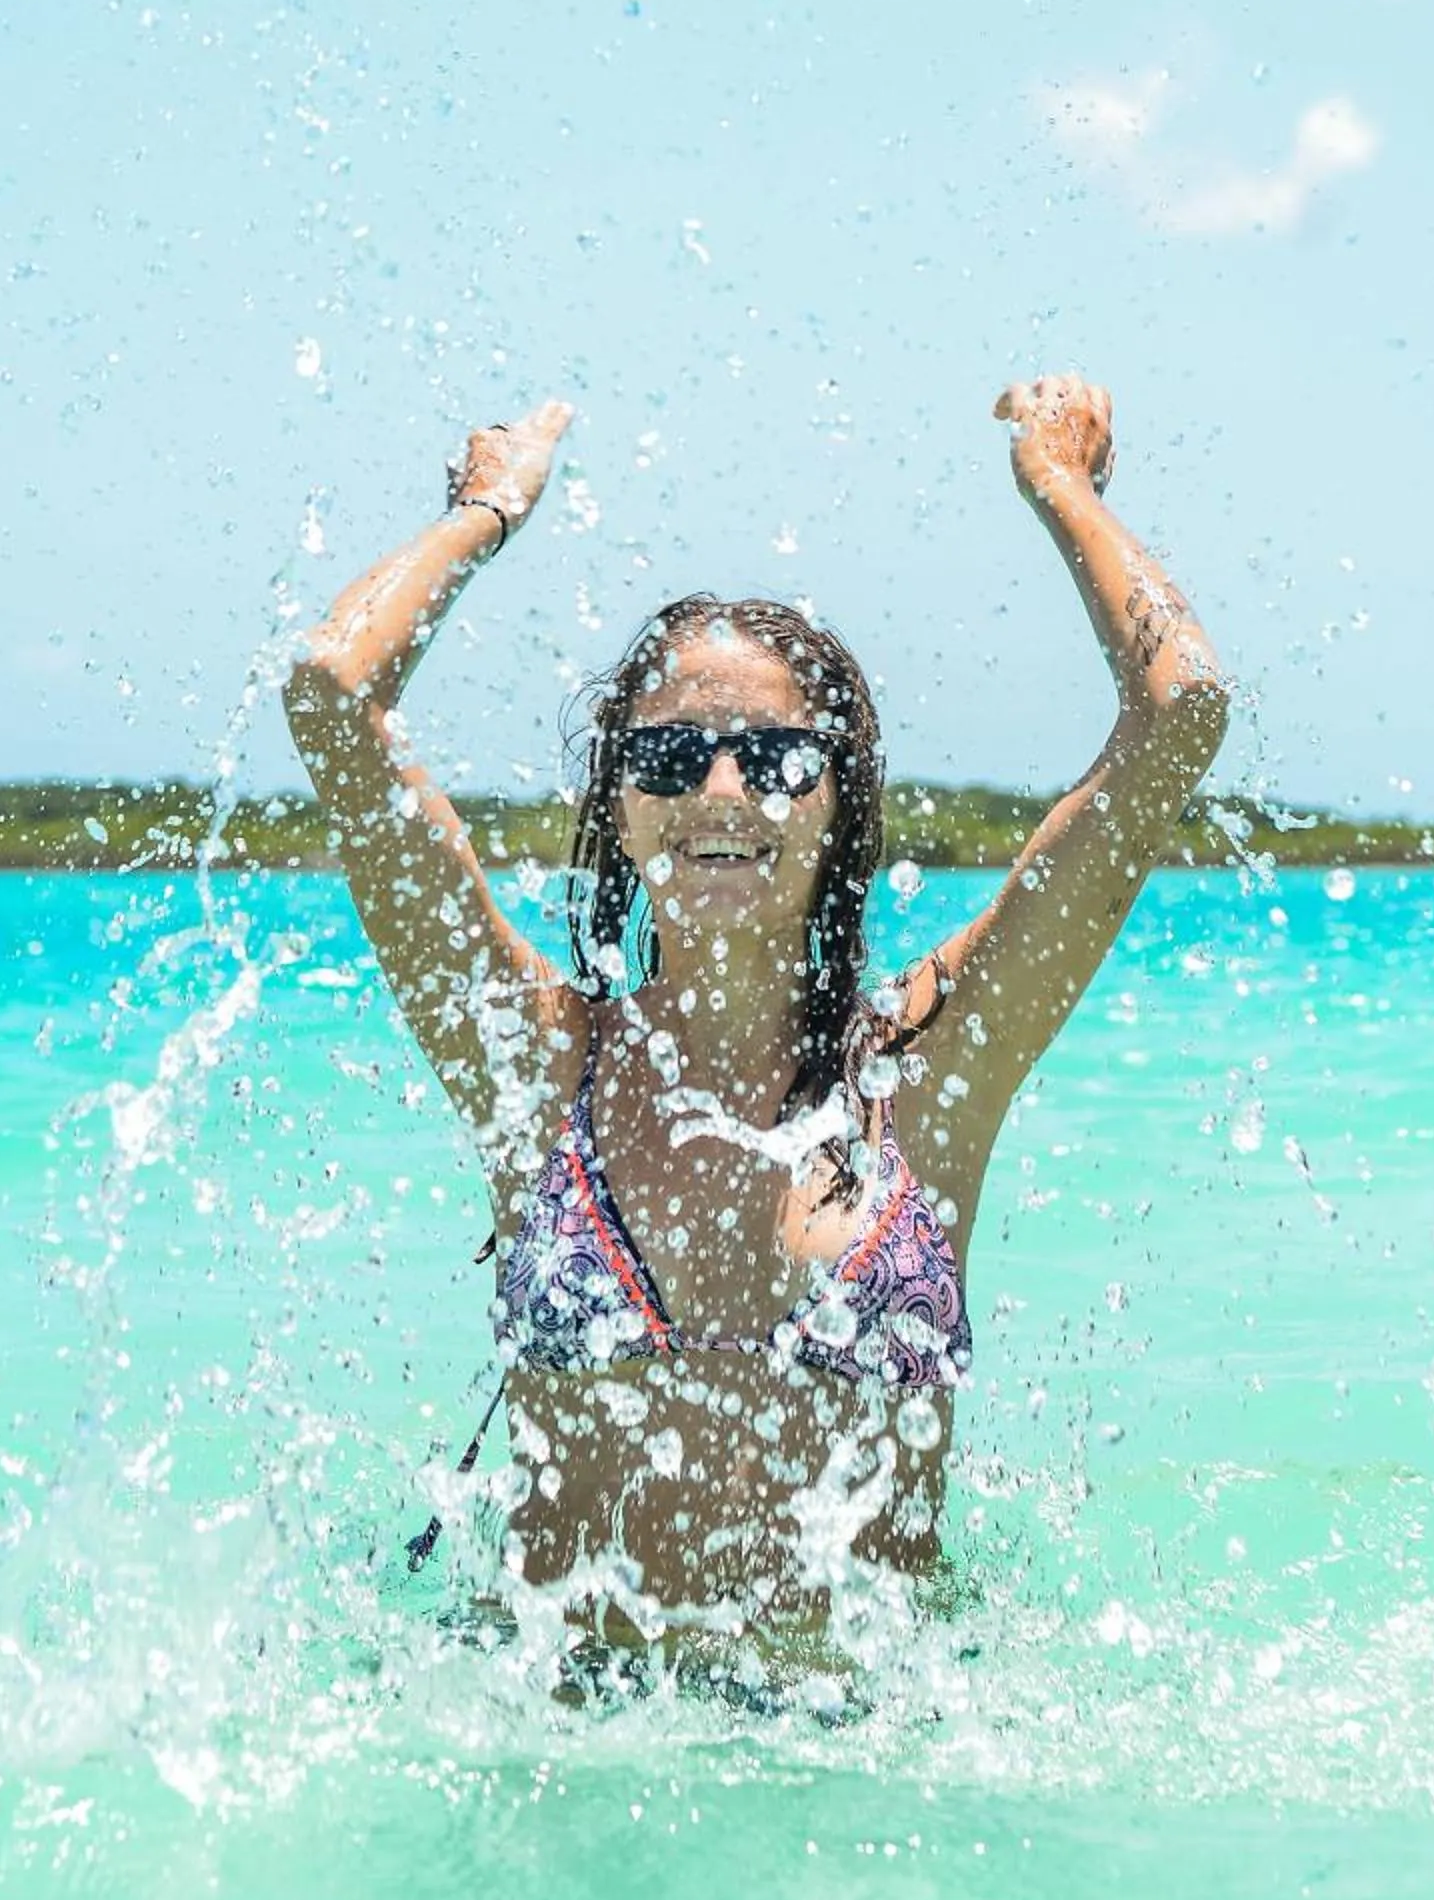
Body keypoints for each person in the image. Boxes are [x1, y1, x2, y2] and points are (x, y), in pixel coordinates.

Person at [283, 374, 1229, 1630]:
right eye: (671, 757)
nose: (724, 793)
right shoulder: (535, 1063)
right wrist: (482, 511)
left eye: (780, 758)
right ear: (618, 805)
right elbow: (331, 697)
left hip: (865, 1772)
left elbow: (1182, 712)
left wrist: (1057, 486)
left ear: (838, 804)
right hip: (563, 1753)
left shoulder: (929, 1066)